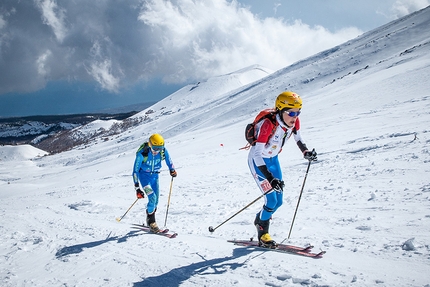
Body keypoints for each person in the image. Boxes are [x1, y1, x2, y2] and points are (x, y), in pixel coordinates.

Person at [248, 91, 317, 248]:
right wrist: (270, 178)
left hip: (273, 160)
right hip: (258, 162)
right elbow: (257, 154)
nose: (295, 116)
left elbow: (298, 138)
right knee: (271, 200)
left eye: (298, 112)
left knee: (279, 202)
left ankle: (260, 219)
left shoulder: (294, 122)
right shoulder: (268, 125)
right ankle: (263, 233)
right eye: (291, 112)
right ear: (281, 110)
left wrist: (306, 152)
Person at [132, 133, 177, 232]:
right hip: (144, 178)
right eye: (155, 148)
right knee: (152, 198)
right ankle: (151, 222)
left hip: (155, 177)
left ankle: (149, 215)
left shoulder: (162, 151)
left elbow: (169, 160)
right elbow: (135, 171)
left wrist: (172, 169)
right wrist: (137, 188)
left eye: (159, 148)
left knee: (156, 202)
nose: (157, 151)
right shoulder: (142, 154)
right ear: (150, 144)